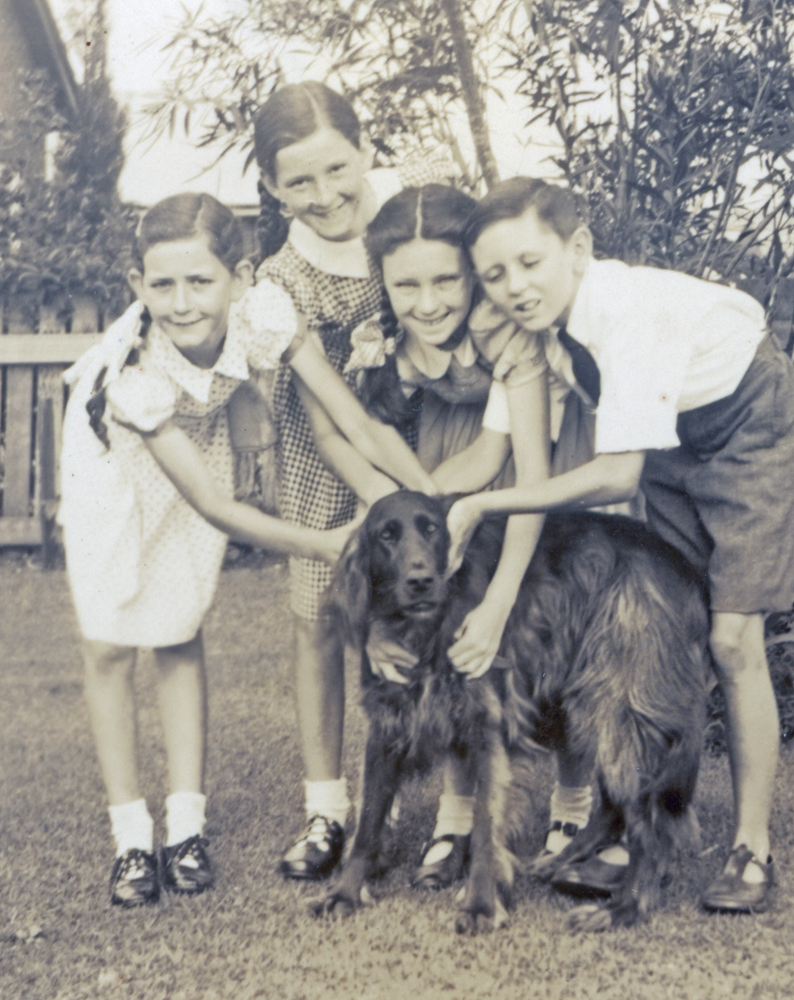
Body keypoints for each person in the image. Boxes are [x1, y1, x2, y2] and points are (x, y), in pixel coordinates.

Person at [60, 192, 432, 907]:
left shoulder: (265, 312)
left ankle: (186, 828)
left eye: (200, 281)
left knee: (178, 626)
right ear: (135, 285)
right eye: (160, 284)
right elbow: (217, 506)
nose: (181, 301)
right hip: (111, 459)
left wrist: (414, 495)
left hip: (193, 443)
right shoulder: (131, 371)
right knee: (109, 643)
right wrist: (327, 542)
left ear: (240, 274)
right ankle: (132, 837)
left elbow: (347, 413)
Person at [446, 177, 794, 913]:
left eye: (529, 262)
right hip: (678, 437)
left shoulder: (626, 313)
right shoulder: (546, 335)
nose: (515, 286)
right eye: (495, 274)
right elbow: (503, 447)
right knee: (675, 631)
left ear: (576, 250)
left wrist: (486, 503)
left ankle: (752, 848)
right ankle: (651, 817)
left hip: (748, 425)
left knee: (734, 639)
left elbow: (615, 476)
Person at [349, 183, 603, 889]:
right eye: (407, 285)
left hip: (541, 469)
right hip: (448, 463)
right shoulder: (385, 341)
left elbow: (514, 464)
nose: (428, 302)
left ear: (473, 276)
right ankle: (455, 817)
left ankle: (574, 803)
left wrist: (497, 603)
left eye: (446, 282)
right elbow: (366, 445)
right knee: (450, 645)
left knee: (545, 637)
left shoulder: (507, 332)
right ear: (385, 283)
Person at [250, 82, 443, 880]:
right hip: (327, 455)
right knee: (322, 623)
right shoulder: (278, 282)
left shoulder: (408, 219)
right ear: (270, 187)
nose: (324, 195)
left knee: (427, 614)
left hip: (421, 439)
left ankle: (419, 808)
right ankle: (327, 808)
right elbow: (333, 418)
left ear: (366, 152)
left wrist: (429, 492)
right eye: (298, 182)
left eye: (337, 169)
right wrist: (384, 498)